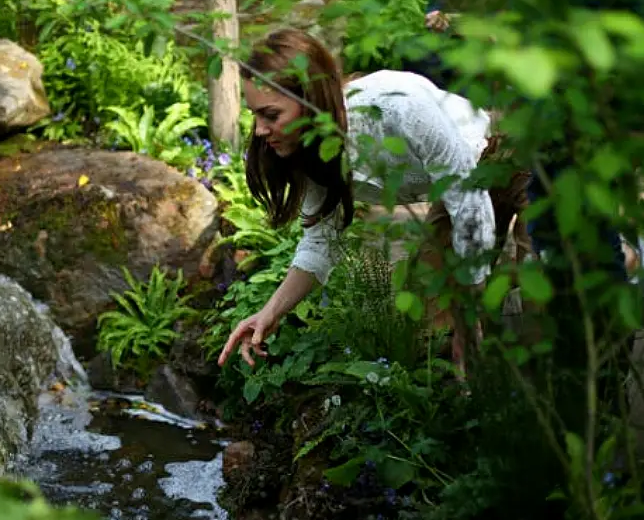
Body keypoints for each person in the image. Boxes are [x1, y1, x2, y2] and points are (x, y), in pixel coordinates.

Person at [217, 28, 515, 370]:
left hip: (495, 152)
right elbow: (321, 244)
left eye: (271, 115)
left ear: (312, 99)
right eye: (255, 114)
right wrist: (269, 313)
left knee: (492, 296)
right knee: (447, 308)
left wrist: (468, 317)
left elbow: (468, 203)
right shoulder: (313, 151)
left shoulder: (395, 108)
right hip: (449, 190)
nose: (259, 130)